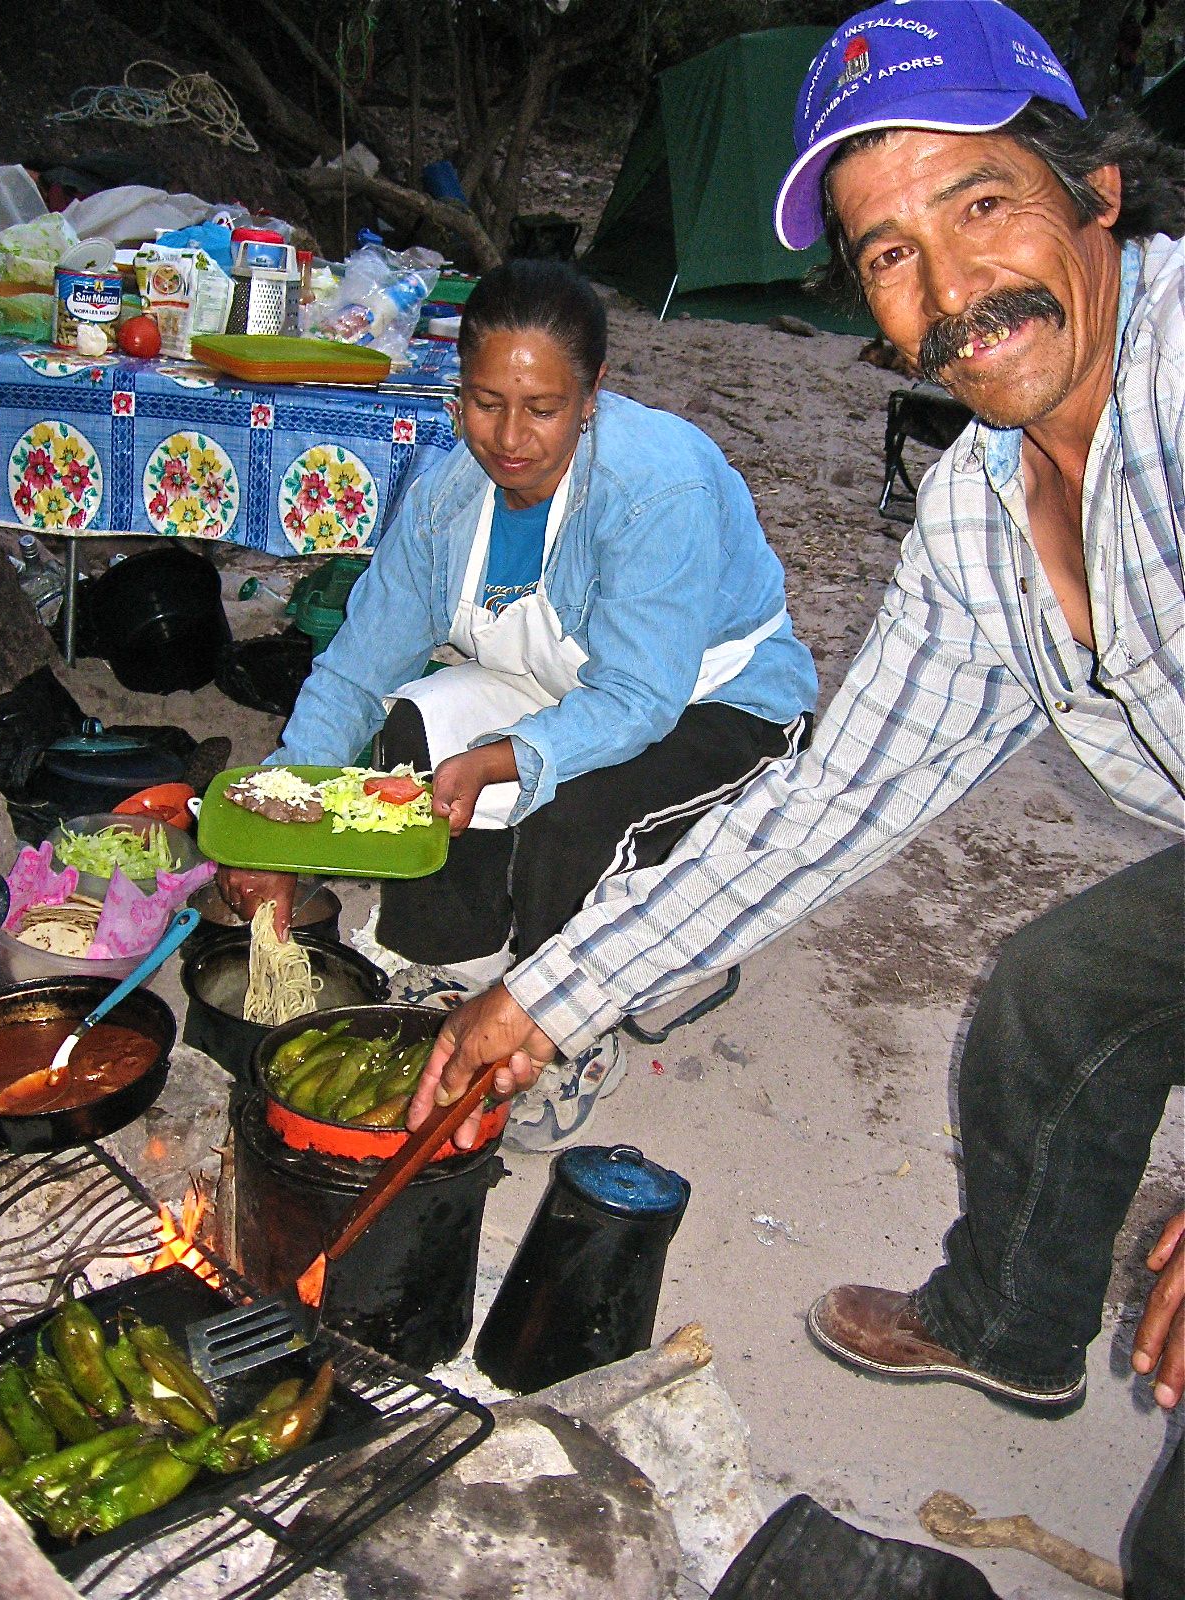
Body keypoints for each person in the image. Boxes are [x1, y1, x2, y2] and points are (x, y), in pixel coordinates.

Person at [408, 3, 1181, 1586]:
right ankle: (1009, 1324)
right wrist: (546, 998)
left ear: (1099, 194)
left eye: (981, 205)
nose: (954, 290)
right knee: (1056, 989)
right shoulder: (980, 516)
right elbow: (825, 806)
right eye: (890, 254)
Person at [219, 258, 817, 1150]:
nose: (509, 437)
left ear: (593, 394)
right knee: (411, 733)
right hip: (571, 686)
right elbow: (355, 672)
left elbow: (640, 698)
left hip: (716, 702)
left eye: (543, 408)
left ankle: (568, 1030)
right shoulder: (445, 494)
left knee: (571, 820)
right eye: (485, 400)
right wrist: (281, 825)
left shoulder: (659, 486)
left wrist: (507, 756)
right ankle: (445, 968)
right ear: (457, 391)